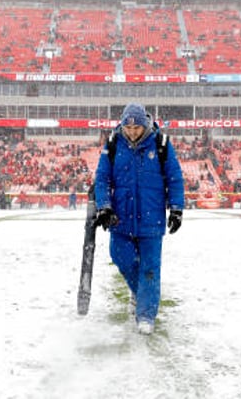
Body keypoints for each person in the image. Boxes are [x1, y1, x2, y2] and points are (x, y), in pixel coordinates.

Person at [93, 103, 185, 335]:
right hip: (120, 218)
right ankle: (140, 292)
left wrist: (176, 208)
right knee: (120, 256)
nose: (132, 131)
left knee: (150, 268)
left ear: (145, 124)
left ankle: (145, 315)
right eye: (128, 126)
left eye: (137, 127)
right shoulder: (114, 144)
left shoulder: (161, 144)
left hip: (151, 219)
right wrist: (104, 206)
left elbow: (174, 178)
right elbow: (102, 178)